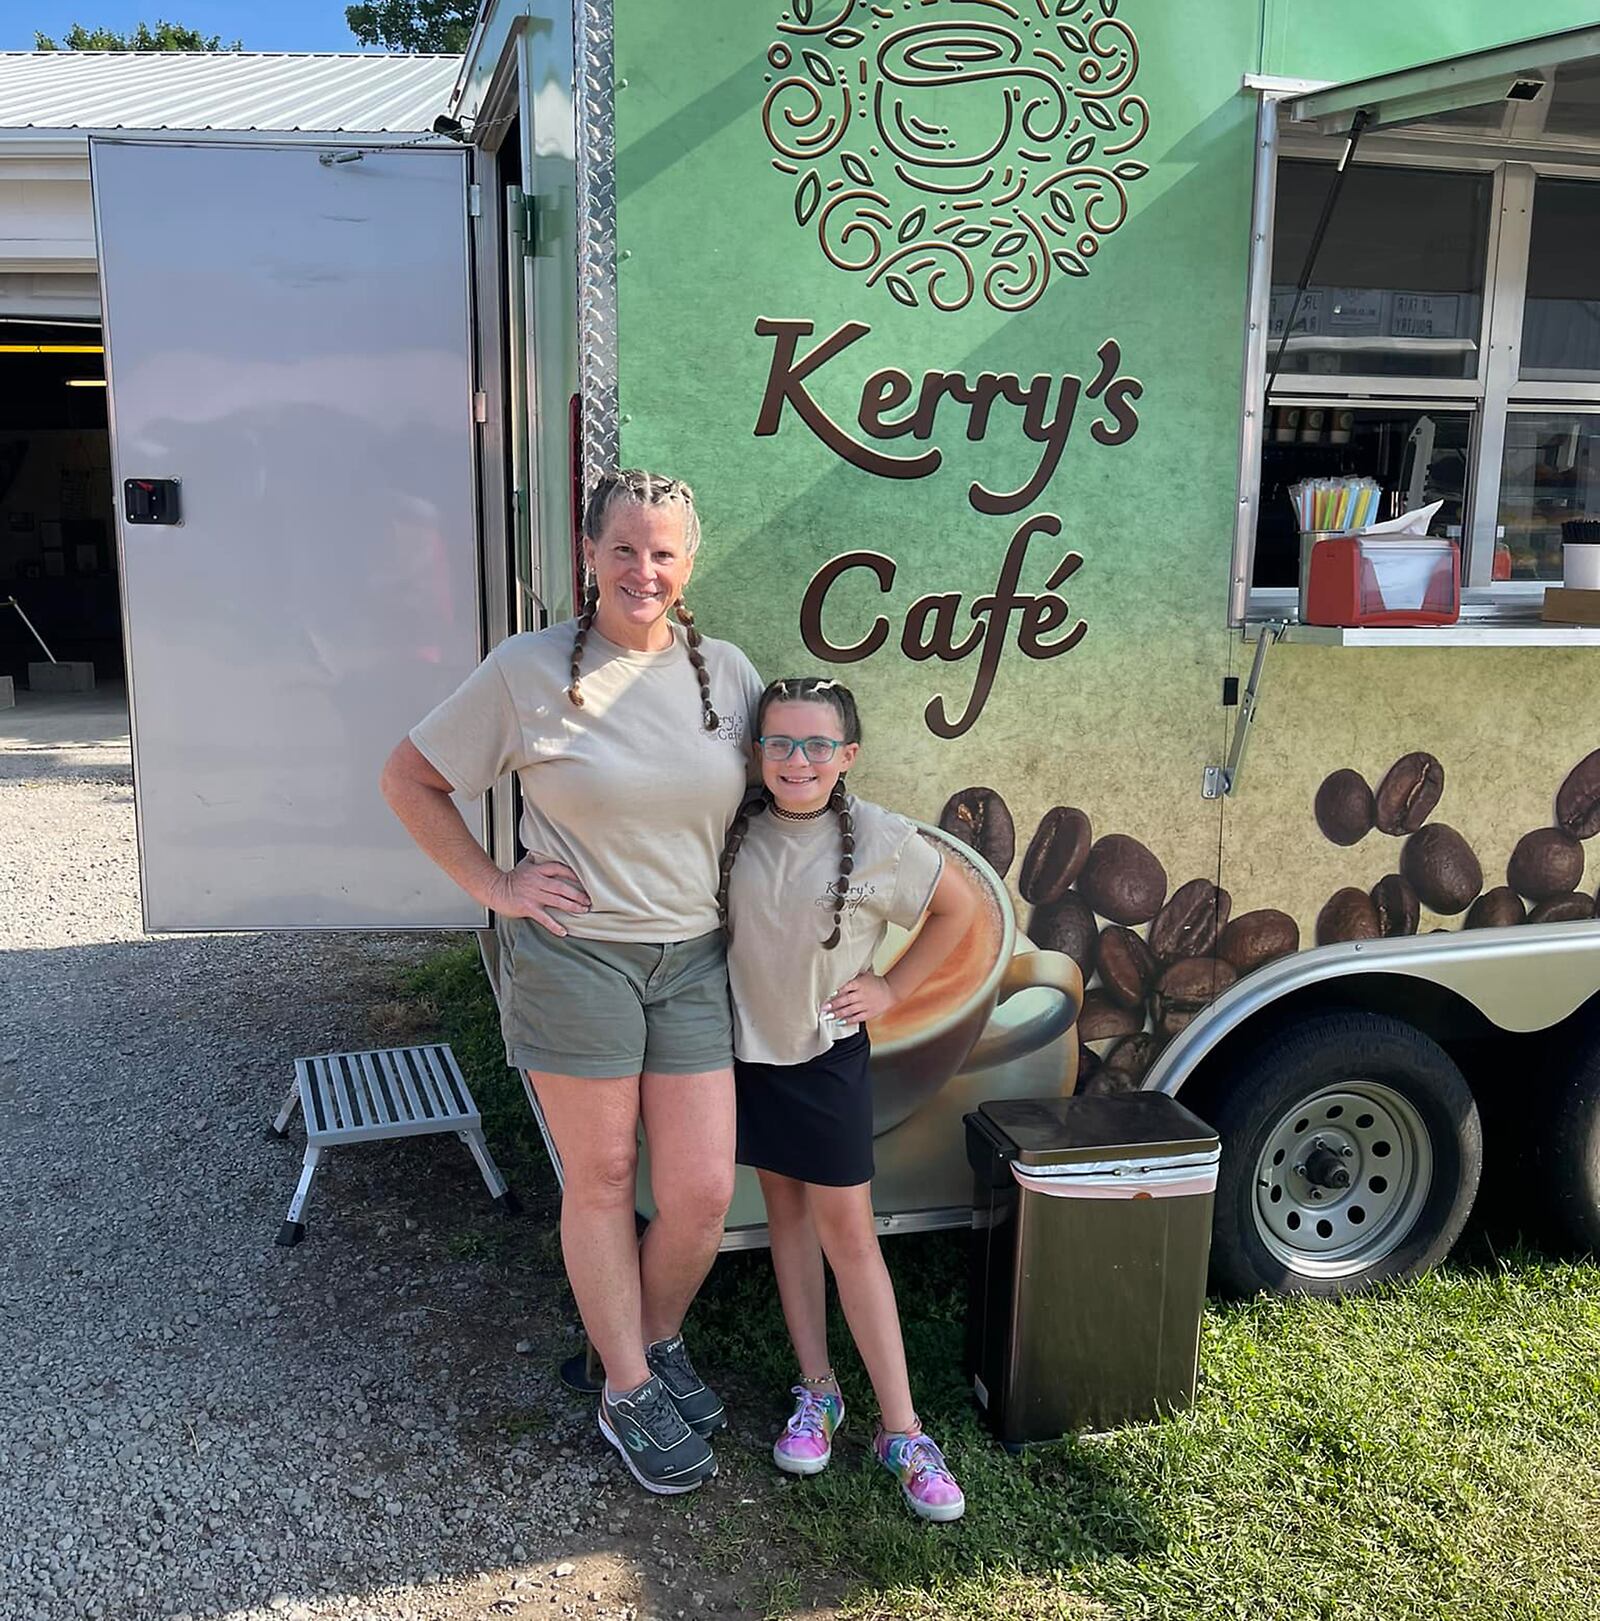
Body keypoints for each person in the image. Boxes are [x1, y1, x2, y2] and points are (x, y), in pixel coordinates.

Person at [381, 470, 763, 1496]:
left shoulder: (724, 673)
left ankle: (650, 1335)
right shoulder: (527, 670)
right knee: (600, 1177)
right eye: (625, 548)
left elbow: (781, 801)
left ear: (691, 561)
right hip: (576, 952)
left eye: (664, 551)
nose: (645, 569)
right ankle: (627, 1387)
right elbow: (408, 777)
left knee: (697, 1192)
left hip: (692, 957)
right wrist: (493, 882)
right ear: (589, 553)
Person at [716, 677, 976, 1522]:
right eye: (780, 743)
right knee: (783, 1218)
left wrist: (893, 988)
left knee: (849, 1235)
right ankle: (817, 1389)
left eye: (817, 745)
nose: (798, 760)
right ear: (757, 753)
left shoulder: (879, 841)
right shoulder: (732, 828)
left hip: (825, 1059)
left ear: (847, 756)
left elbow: (957, 909)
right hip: (747, 1056)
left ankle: (901, 1429)